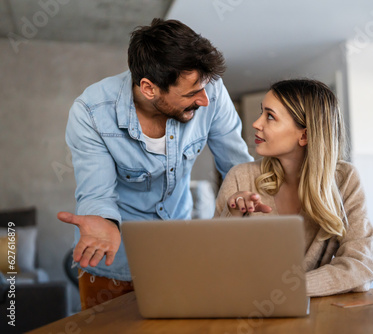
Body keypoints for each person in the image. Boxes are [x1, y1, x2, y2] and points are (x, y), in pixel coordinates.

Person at [58, 18, 253, 309]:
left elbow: (237, 166)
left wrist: (250, 198)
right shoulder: (91, 113)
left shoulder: (210, 91)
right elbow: (97, 192)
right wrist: (104, 221)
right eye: (190, 94)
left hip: (178, 254)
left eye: (203, 88)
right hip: (113, 260)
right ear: (149, 88)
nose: (203, 101)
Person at [214, 79, 373, 296]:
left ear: (305, 135)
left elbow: (360, 267)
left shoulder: (344, 179)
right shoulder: (240, 176)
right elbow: (215, 264)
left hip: (318, 316)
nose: (256, 123)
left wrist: (284, 290)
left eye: (270, 116)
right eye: (262, 112)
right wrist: (233, 214)